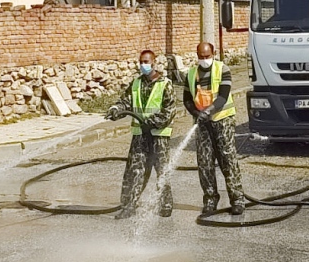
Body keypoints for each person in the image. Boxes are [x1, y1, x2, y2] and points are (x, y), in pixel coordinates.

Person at [105, 50, 175, 219]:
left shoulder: (165, 84)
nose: (143, 65)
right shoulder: (136, 83)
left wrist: (151, 122)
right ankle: (129, 205)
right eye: (141, 62)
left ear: (154, 62)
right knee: (135, 170)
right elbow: (125, 101)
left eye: (146, 61)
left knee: (162, 170)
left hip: (159, 134)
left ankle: (165, 204)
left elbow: (169, 110)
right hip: (140, 135)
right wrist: (116, 109)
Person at [183, 42, 246, 216]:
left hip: (222, 120)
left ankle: (237, 199)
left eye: (207, 56)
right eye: (201, 57)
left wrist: (209, 111)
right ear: (197, 56)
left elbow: (223, 96)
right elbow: (187, 99)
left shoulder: (222, 69)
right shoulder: (190, 74)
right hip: (202, 124)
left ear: (213, 53)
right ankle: (210, 199)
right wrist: (196, 113)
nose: (204, 60)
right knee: (204, 162)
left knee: (228, 159)